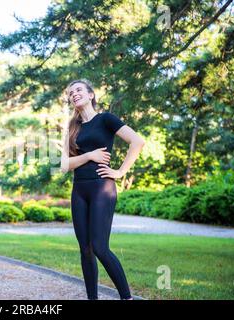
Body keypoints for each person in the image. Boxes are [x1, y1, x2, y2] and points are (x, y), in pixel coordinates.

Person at [60, 79, 145, 300]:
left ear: (91, 94)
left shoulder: (105, 119)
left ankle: (126, 298)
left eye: (78, 90)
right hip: (79, 190)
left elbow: (137, 141)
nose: (74, 94)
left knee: (99, 247)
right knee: (85, 249)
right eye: (71, 93)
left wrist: (120, 171)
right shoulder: (72, 127)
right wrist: (89, 156)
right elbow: (63, 165)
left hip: (101, 188)